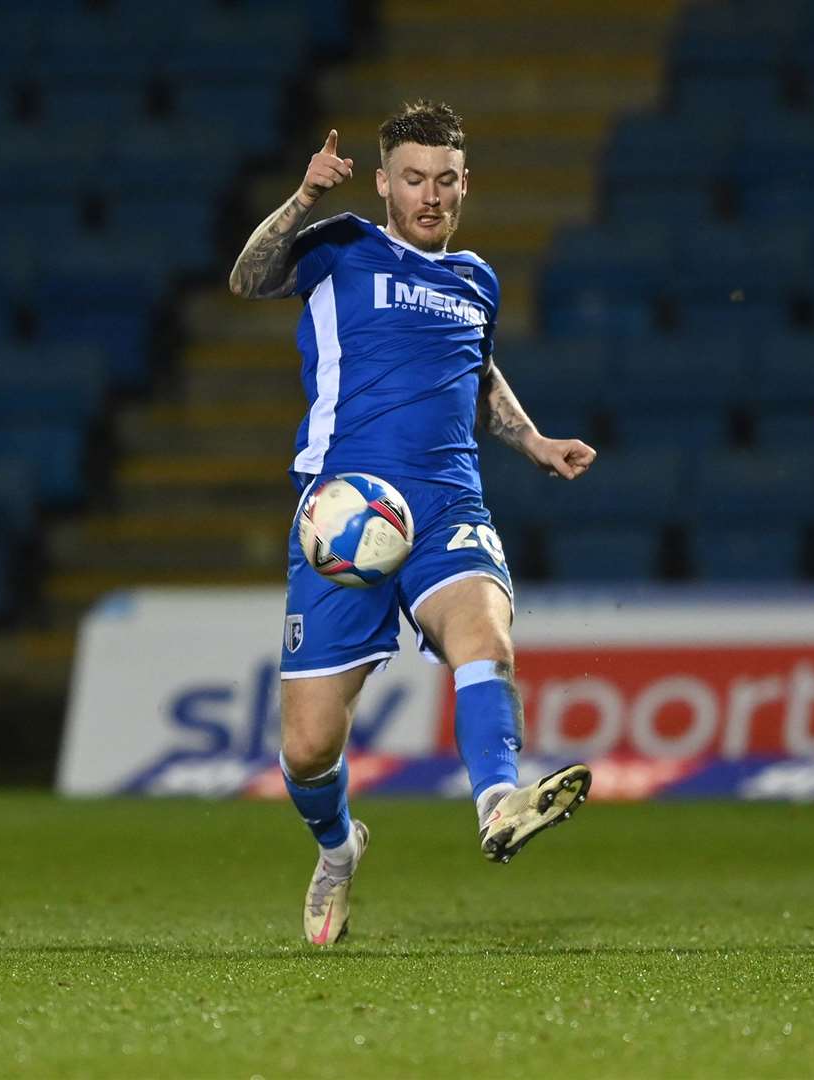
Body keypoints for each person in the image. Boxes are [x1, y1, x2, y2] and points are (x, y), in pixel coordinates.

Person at [228, 101, 598, 946]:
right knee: (311, 747)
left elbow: (479, 371)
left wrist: (530, 438)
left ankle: (500, 801)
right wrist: (302, 198)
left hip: (444, 503)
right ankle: (336, 846)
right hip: (344, 513)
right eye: (412, 180)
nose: (429, 196)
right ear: (387, 181)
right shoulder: (343, 247)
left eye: (445, 181)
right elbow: (248, 279)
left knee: (486, 636)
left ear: (465, 183)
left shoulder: (476, 279)